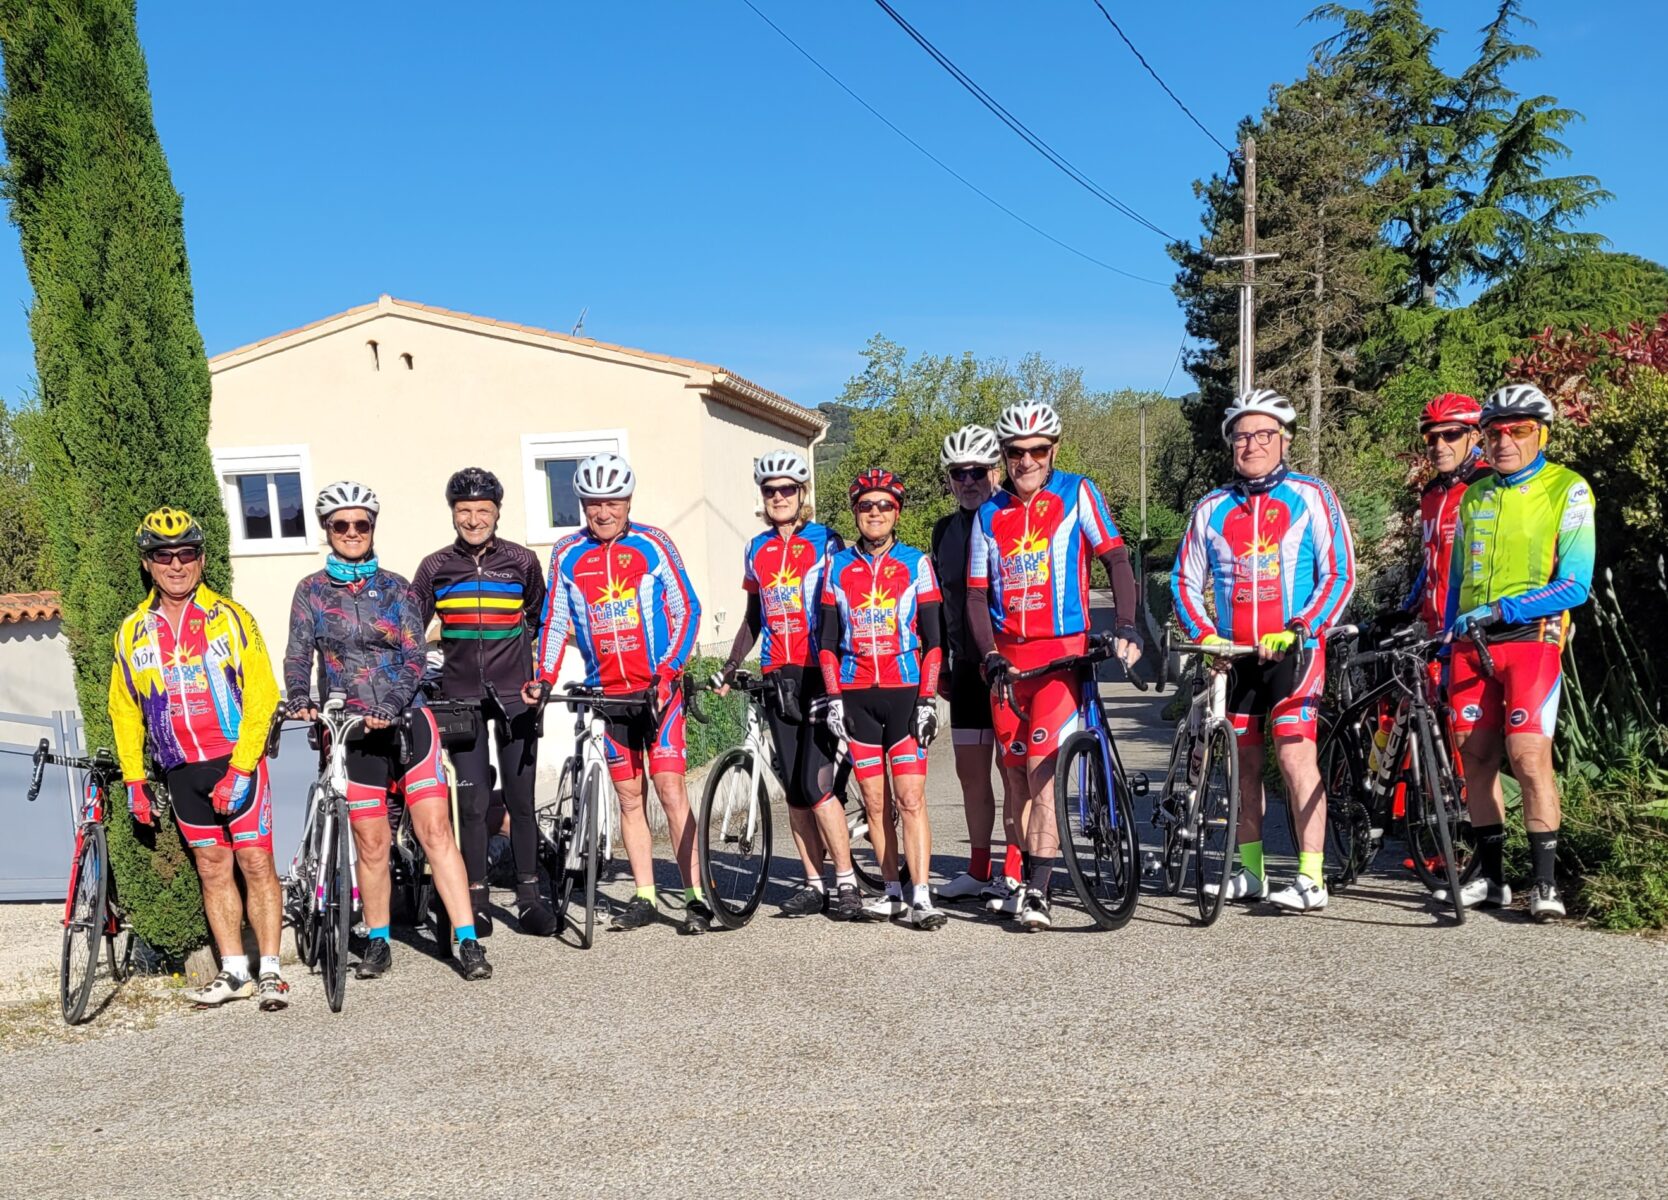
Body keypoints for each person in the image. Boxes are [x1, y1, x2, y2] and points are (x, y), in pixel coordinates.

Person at [283, 482, 491, 981]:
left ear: (373, 528)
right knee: (371, 842)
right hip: (352, 731)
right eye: (341, 525)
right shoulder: (310, 590)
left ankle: (466, 941)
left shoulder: (397, 588)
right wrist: (299, 698)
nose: (352, 533)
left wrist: (394, 704)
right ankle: (377, 940)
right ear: (327, 530)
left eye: (361, 524)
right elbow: (296, 655)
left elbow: (415, 656)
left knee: (436, 831)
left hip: (407, 721)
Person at [1173, 388, 1356, 912]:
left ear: (1285, 439)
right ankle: (1250, 872)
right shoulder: (1211, 507)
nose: (1250, 444)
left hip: (1294, 652)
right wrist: (1206, 633)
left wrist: (1302, 626)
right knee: (1242, 765)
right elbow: (1185, 580)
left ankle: (1310, 877)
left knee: (1296, 756)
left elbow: (1340, 574)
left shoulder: (1312, 494)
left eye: (1263, 434)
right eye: (1241, 435)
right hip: (1235, 656)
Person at [966, 402, 1142, 929]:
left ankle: (1040, 888)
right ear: (1005, 456)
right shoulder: (987, 513)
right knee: (1016, 778)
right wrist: (990, 655)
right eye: (1015, 452)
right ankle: (1020, 874)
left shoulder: (1077, 492)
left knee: (1043, 777)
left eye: (1037, 450)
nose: (1026, 461)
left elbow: (1115, 558)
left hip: (1061, 658)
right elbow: (976, 597)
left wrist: (1127, 624)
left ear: (1053, 451)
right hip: (1007, 663)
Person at [109, 508, 287, 1009]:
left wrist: (242, 767)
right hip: (180, 767)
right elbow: (124, 709)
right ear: (147, 564)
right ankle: (235, 972)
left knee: (255, 862)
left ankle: (270, 969)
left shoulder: (230, 618)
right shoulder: (132, 632)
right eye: (163, 555)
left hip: (235, 758)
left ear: (202, 559)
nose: (176, 564)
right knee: (212, 867)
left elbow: (263, 694)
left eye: (186, 553)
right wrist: (134, 779)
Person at [531, 453, 709, 934]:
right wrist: (543, 677)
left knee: (671, 791)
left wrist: (670, 669)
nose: (602, 512)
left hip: (657, 692)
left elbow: (686, 608)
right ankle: (645, 894)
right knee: (629, 798)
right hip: (610, 694)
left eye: (611, 502)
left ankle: (696, 894)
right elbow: (555, 621)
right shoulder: (567, 552)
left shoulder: (653, 544)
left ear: (628, 501)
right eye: (592, 504)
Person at [1444, 383, 1594, 920]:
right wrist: (1446, 641)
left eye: (1519, 430)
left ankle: (1545, 883)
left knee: (1529, 757)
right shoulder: (1476, 496)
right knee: (1475, 758)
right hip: (1469, 642)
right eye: (1494, 431)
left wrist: (1503, 610)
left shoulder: (1568, 489)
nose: (1504, 440)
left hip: (1531, 638)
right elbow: (1457, 581)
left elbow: (1576, 584)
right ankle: (1490, 876)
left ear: (1542, 434)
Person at [715, 450, 868, 922]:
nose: (778, 497)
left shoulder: (828, 541)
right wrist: (730, 664)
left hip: (819, 673)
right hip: (777, 676)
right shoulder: (755, 548)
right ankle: (812, 882)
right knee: (795, 791)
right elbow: (753, 618)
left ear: (802, 495)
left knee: (816, 783)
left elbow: (846, 603)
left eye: (787, 490)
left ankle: (847, 882)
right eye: (769, 491)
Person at [412, 467, 556, 937]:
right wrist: (423, 674)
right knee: (471, 803)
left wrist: (535, 673)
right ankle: (475, 901)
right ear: (453, 513)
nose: (474, 520)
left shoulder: (521, 561)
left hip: (517, 696)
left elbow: (540, 617)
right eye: (464, 511)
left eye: (483, 511)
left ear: (498, 512)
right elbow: (410, 628)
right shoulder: (436, 567)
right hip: (460, 698)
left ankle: (530, 898)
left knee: (520, 799)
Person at [819, 468, 947, 928]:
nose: (875, 513)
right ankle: (891, 890)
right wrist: (835, 698)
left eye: (885, 506)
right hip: (856, 698)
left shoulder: (915, 564)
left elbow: (934, 640)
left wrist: (928, 698)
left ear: (897, 512)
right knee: (875, 803)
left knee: (910, 799)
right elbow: (828, 643)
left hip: (905, 694)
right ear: (855, 512)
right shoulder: (838, 567)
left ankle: (922, 894)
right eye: (866, 506)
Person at [930, 425, 1022, 905]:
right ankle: (979, 866)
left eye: (977, 472)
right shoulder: (943, 530)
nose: (968, 481)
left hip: (1007, 664)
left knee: (1013, 773)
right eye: (958, 474)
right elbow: (945, 603)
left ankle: (1015, 868)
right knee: (970, 773)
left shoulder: (1010, 516)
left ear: (994, 472)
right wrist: (943, 663)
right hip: (965, 669)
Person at [1402, 393, 1487, 633]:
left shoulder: (1488, 485)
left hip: (1475, 626)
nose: (1439, 446)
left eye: (1451, 434)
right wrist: (1407, 608)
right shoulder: (1431, 493)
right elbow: (1433, 558)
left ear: (1474, 436)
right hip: (1435, 630)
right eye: (1431, 437)